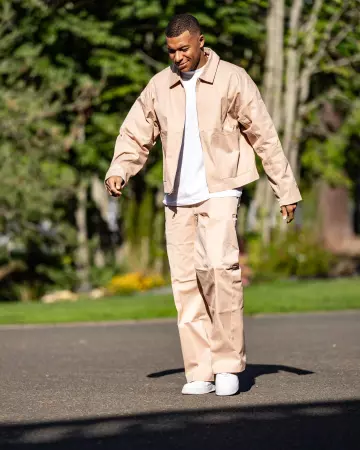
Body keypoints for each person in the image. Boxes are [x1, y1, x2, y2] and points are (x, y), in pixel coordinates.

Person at [105, 14, 302, 396]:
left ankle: (228, 364)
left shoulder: (232, 78)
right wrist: (120, 170)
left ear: (200, 42)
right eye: (171, 51)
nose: (177, 57)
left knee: (220, 269)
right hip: (177, 199)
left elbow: (264, 134)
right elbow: (135, 132)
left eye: (183, 49)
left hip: (221, 189)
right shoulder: (160, 86)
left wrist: (286, 189)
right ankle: (200, 370)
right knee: (185, 283)